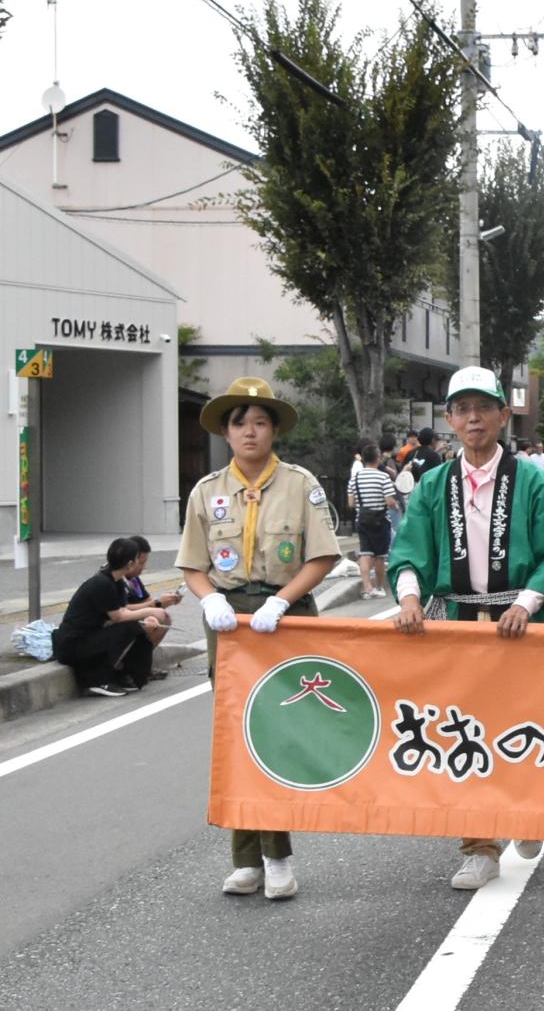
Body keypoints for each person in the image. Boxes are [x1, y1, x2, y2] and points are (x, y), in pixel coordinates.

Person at [387, 366, 544, 892]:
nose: (474, 418)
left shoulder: (532, 480)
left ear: (502, 415)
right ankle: (477, 845)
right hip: (459, 622)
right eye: (462, 409)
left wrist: (526, 601)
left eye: (483, 408)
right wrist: (409, 597)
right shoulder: (434, 484)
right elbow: (409, 551)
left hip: (521, 618)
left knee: (525, 724)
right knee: (465, 731)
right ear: (450, 420)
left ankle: (527, 811)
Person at [178, 377, 340, 900]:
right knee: (234, 732)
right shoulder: (207, 492)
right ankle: (247, 859)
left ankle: (277, 856)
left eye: (260, 421)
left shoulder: (300, 484)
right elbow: (193, 566)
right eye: (239, 422)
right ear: (225, 432)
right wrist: (210, 600)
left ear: (274, 430)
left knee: (277, 734)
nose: (250, 431)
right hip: (228, 619)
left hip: (282, 615)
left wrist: (279, 600)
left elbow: (321, 556)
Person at [52, 538, 167, 697]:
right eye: (136, 559)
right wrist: (149, 613)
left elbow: (123, 609)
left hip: (88, 636)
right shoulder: (102, 583)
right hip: (72, 643)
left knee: (133, 627)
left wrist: (146, 617)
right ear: (130, 563)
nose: (140, 564)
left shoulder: (116, 580)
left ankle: (125, 675)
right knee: (129, 628)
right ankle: (98, 681)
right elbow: (118, 616)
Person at [123, 535, 182, 661]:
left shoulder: (133, 579)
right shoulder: (116, 579)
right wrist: (156, 604)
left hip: (133, 620)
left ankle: (141, 662)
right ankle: (131, 665)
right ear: (130, 561)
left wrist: (167, 600)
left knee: (163, 618)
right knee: (157, 619)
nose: (144, 567)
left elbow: (149, 602)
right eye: (142, 562)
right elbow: (121, 608)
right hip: (119, 624)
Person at [350, 443, 397, 599]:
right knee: (380, 556)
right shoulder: (383, 477)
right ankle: (379, 586)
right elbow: (390, 502)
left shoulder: (355, 477)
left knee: (365, 553)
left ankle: (367, 588)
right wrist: (395, 505)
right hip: (381, 520)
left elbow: (351, 503)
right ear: (378, 458)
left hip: (362, 519)